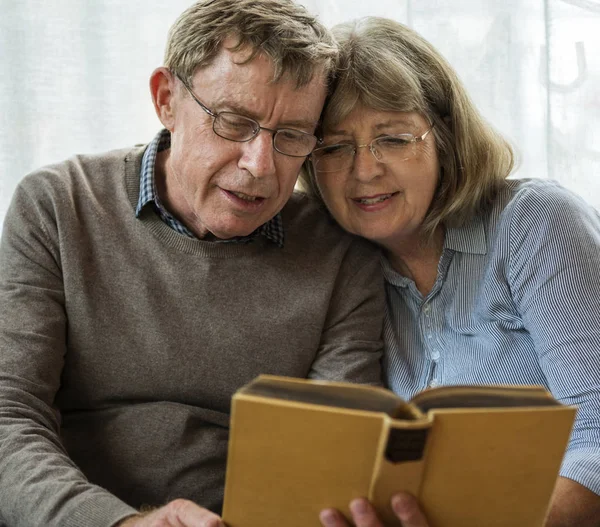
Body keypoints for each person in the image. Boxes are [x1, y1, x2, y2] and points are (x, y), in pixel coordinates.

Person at [0, 2, 387, 526]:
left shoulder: (340, 249)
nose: (260, 166)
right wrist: (121, 523)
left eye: (292, 135)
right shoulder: (57, 206)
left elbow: (332, 447)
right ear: (166, 99)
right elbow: (9, 416)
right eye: (233, 122)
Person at [303, 16, 600, 527]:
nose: (365, 169)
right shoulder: (342, 271)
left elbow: (597, 433)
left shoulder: (534, 222)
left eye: (393, 138)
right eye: (334, 147)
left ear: (443, 135)